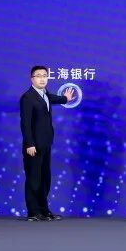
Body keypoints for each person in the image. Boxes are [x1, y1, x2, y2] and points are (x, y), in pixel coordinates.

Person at [20, 66, 75, 221]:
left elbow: (55, 98)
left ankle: (44, 210)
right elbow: (25, 123)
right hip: (33, 146)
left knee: (45, 178)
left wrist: (65, 99)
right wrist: (29, 144)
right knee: (34, 179)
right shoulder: (27, 97)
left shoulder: (45, 94)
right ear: (32, 79)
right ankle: (33, 212)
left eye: (45, 75)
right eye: (38, 76)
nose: (42, 78)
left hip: (45, 144)